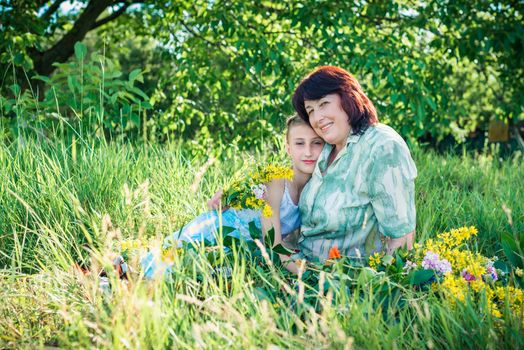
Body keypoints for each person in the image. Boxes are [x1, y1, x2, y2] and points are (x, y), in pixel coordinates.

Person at [140, 115, 325, 278]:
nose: (308, 151)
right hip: (219, 232)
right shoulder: (276, 181)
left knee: (207, 275)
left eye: (316, 143)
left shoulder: (313, 190)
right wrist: (309, 276)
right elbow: (275, 245)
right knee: (169, 267)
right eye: (299, 143)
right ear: (288, 148)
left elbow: (290, 240)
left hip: (243, 250)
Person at [291, 66, 417, 263]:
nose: (317, 118)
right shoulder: (324, 148)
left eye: (324, 103)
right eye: (311, 110)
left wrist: (378, 288)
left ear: (348, 97)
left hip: (348, 281)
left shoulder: (382, 147)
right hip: (299, 266)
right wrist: (234, 195)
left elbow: (401, 237)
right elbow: (285, 181)